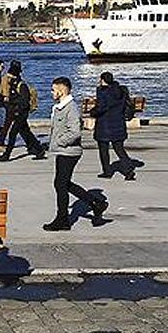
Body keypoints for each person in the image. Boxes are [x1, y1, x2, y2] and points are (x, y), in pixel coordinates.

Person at [44, 77, 109, 231]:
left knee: (60, 184)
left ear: (61, 90)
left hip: (69, 152)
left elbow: (74, 132)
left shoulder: (70, 108)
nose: (51, 92)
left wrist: (60, 141)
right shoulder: (60, 106)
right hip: (63, 151)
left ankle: (63, 220)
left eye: (53, 89)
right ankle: (96, 203)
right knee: (63, 183)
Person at [0, 60, 44, 162]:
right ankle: (39, 149)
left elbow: (24, 102)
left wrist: (16, 109)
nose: (8, 78)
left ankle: (7, 154)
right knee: (26, 132)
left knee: (13, 134)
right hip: (17, 112)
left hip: (20, 113)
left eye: (10, 76)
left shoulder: (21, 85)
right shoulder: (14, 84)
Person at [92, 72, 136, 180]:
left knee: (103, 150)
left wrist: (92, 112)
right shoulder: (121, 91)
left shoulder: (103, 92)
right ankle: (128, 170)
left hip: (104, 125)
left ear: (103, 80)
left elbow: (101, 108)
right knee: (119, 149)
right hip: (118, 124)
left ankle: (107, 171)